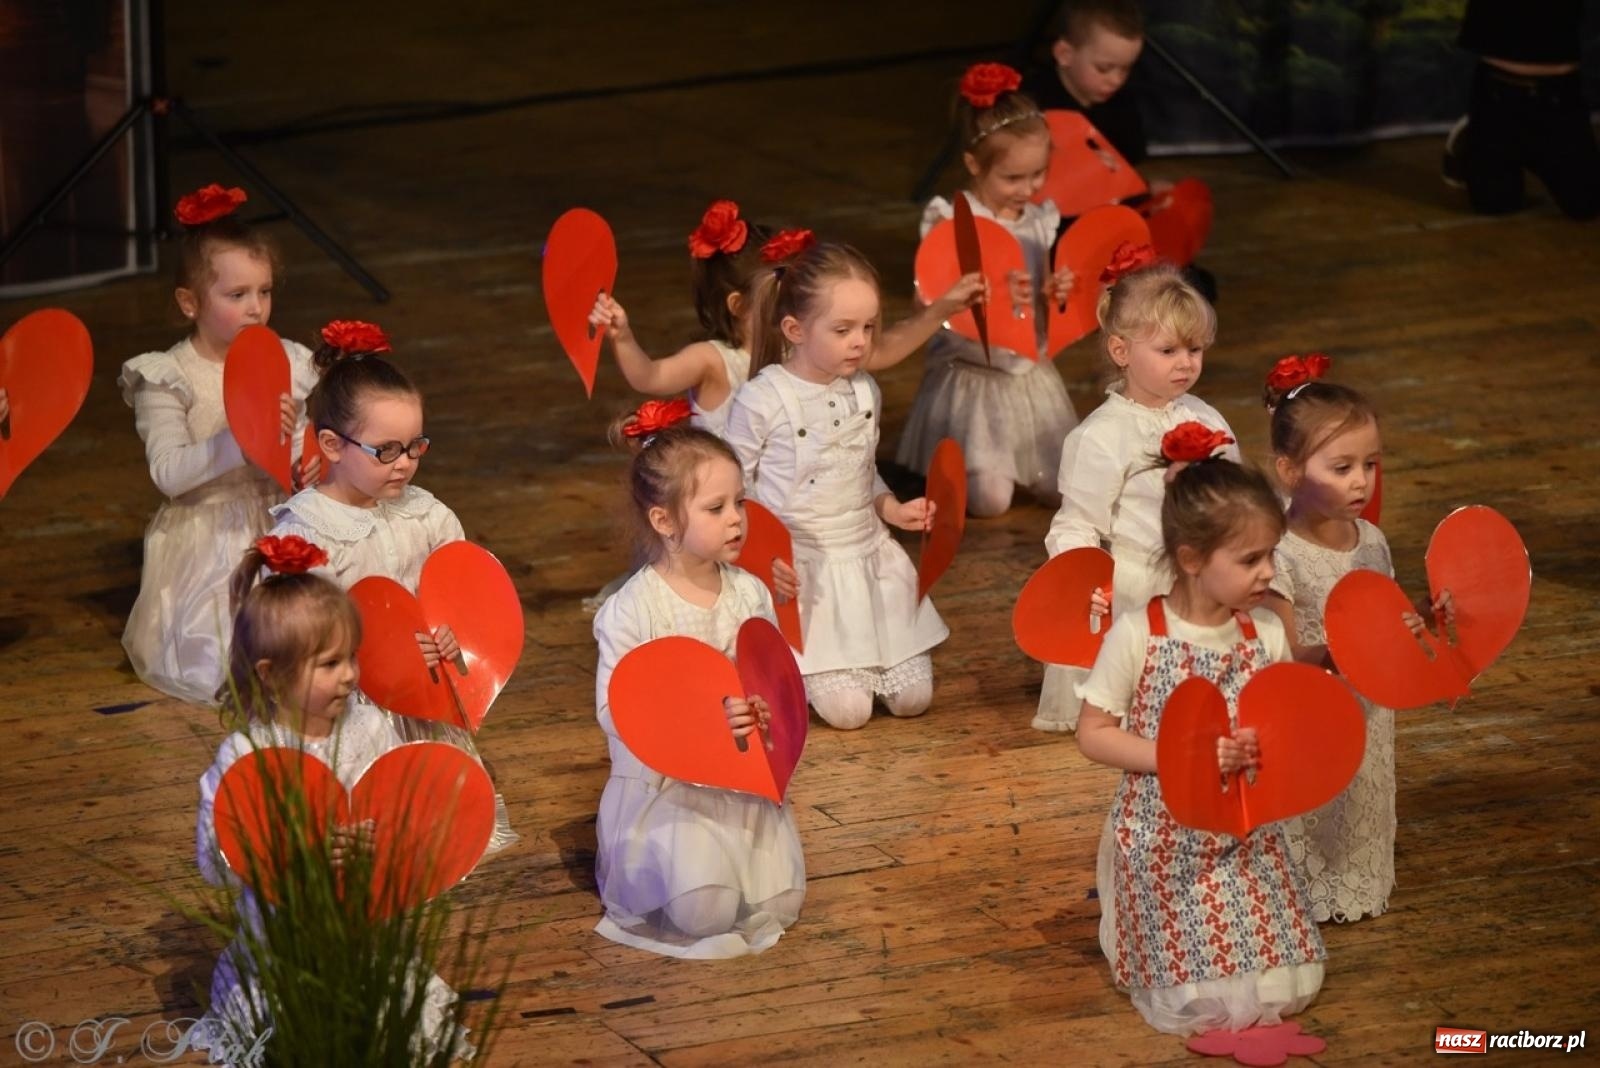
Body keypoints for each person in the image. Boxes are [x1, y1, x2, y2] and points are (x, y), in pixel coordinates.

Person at [192, 534, 471, 1062]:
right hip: (282, 948)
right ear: (271, 676)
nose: (349, 675)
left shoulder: (368, 728)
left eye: (351, 658)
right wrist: (298, 848)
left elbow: (400, 811)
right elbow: (215, 860)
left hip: (365, 936)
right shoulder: (248, 754)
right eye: (328, 665)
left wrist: (379, 839)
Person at [1077, 448, 1324, 1035]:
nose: (1268, 572)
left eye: (1272, 555)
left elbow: (1281, 722)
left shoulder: (1263, 631)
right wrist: (1180, 756)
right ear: (1191, 558)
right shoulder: (1139, 633)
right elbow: (1094, 735)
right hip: (1165, 838)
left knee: (1292, 986)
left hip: (1244, 835)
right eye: (1250, 559)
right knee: (1195, 1000)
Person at [269, 320, 516, 851]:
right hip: (350, 707)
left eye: (415, 446)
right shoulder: (306, 533)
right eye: (385, 450)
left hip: (423, 701)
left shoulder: (427, 516)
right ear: (332, 445)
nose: (404, 463)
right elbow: (299, 638)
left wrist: (451, 636)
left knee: (441, 836)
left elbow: (458, 599)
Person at [591, 409, 806, 957]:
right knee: (702, 914)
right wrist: (698, 726)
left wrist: (760, 711)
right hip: (672, 791)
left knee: (777, 905)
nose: (737, 519)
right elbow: (616, 712)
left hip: (738, 780)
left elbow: (773, 681)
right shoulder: (633, 610)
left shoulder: (749, 594)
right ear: (664, 521)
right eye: (716, 508)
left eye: (740, 502)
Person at [725, 241, 949, 730]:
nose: (860, 342)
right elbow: (734, 492)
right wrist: (763, 556)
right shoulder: (764, 399)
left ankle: (871, 652)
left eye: (869, 328)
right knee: (849, 714)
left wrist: (891, 508)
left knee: (913, 700)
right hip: (803, 567)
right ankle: (797, 664)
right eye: (843, 329)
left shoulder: (865, 390)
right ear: (795, 330)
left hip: (864, 555)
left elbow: (861, 468)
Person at [1260, 356, 1452, 923]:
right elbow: (1285, 654)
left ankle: (1352, 881)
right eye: (1341, 467)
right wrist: (1341, 654)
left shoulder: (1371, 539)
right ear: (1290, 470)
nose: (1361, 482)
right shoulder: (1280, 553)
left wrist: (1420, 615)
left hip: (1366, 704)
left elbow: (1385, 617)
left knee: (1357, 794)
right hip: (1312, 706)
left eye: (1369, 464)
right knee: (1313, 796)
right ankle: (1299, 890)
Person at [119, 183, 316, 704]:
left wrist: (306, 464)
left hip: (275, 521)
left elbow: (296, 449)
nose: (256, 308)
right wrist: (239, 441)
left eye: (265, 291)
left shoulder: (287, 360)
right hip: (209, 536)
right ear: (190, 303)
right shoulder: (169, 376)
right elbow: (167, 473)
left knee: (316, 645)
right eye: (237, 295)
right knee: (231, 666)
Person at [1035, 245, 1235, 732]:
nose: (1185, 363)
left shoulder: (1204, 417)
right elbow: (1077, 523)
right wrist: (1084, 580)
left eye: (1195, 350)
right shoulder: (1101, 437)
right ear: (1121, 350)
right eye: (1168, 351)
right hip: (1139, 583)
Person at [587, 203, 985, 439]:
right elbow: (651, 378)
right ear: (739, 306)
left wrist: (940, 309)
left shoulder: (802, 345)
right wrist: (622, 336)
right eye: (784, 300)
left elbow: (882, 350)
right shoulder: (713, 361)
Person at [897, 62, 1079, 517]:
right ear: (975, 164)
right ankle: (960, 461)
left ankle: (1021, 460)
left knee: (1065, 490)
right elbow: (929, 300)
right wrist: (991, 295)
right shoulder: (952, 221)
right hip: (976, 369)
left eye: (1037, 174)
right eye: (1013, 179)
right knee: (989, 502)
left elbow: (1045, 297)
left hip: (1025, 370)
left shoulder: (1039, 220)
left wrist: (1054, 291)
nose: (1028, 188)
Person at [1442, 0, 1599, 220]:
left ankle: (1482, 136)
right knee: (1494, 204)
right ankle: (1474, 136)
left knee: (1586, 204)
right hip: (1494, 96)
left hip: (1555, 100)